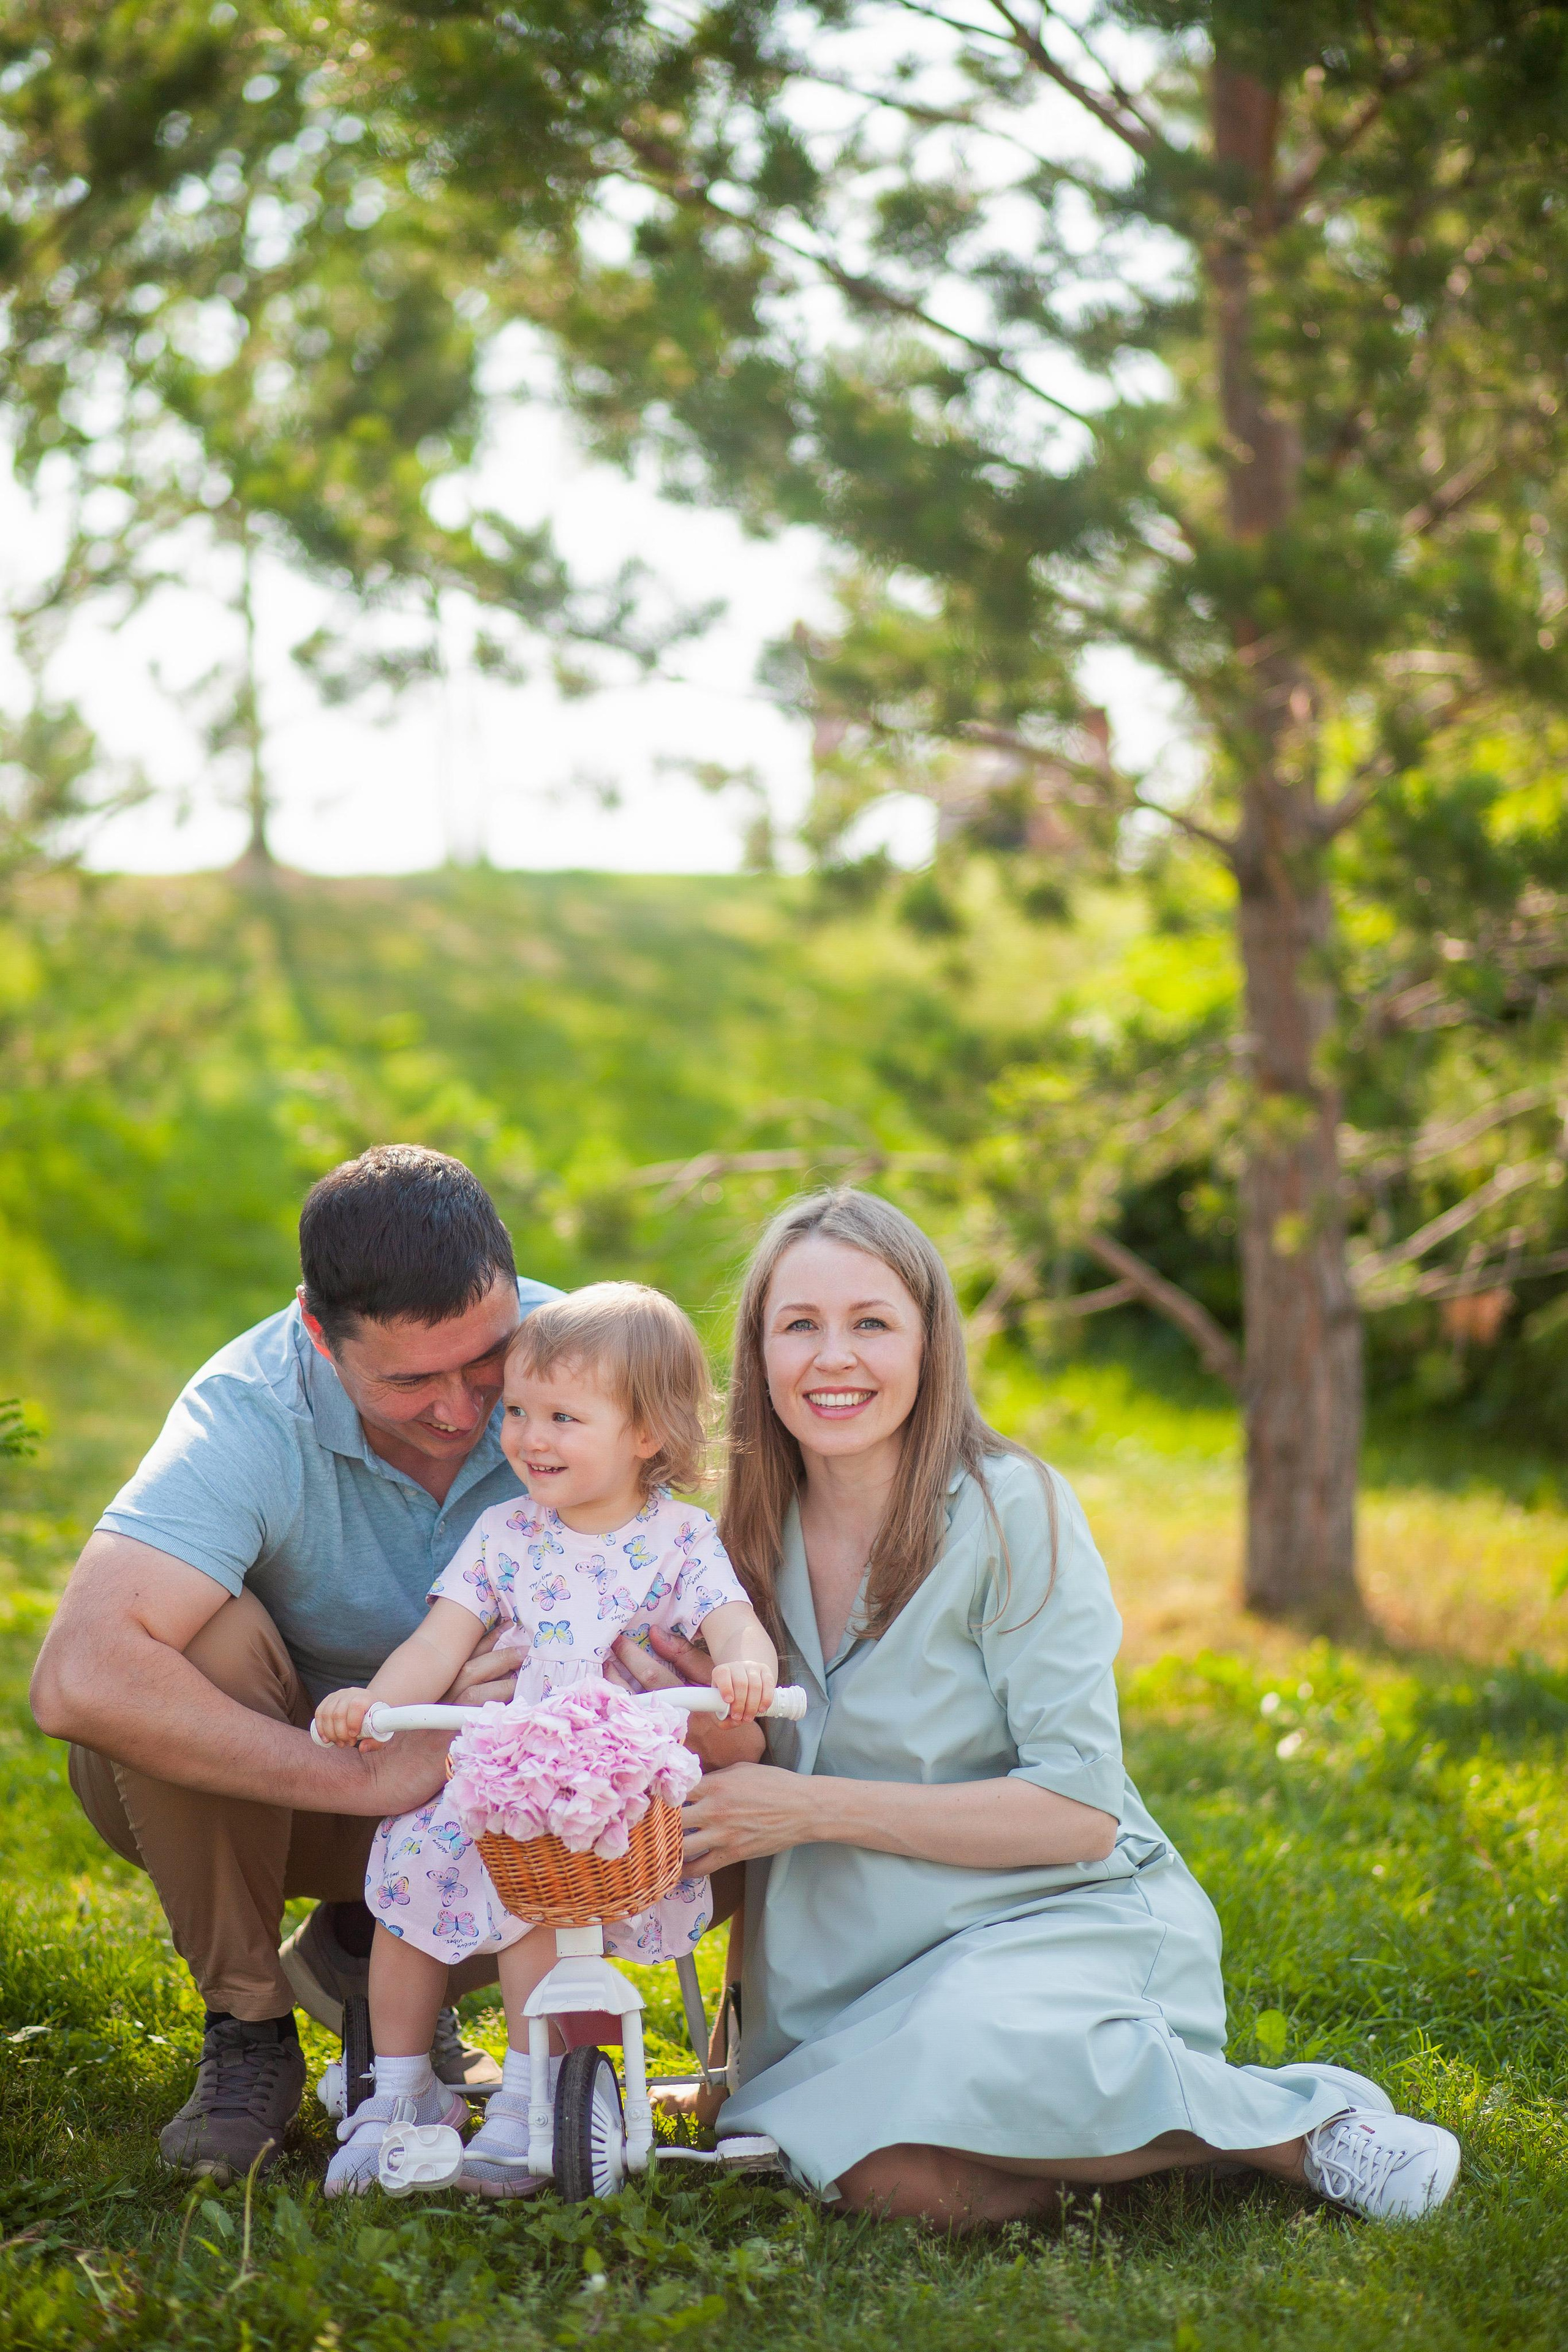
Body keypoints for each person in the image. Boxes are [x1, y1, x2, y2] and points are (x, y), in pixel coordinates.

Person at [649, 1188, 1461, 2230]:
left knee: (967, 2046)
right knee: (890, 2186)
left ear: (930, 1345)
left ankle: (1302, 2128)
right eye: (799, 1324)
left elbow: (1077, 1813)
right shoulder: (728, 1546)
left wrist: (807, 1810)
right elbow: (736, 1781)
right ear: (758, 1354)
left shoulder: (1010, 1510)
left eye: (871, 1324)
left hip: (1045, 1918)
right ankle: (1154, 2155)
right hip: (846, 1964)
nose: (832, 1357)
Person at [26, 1145, 752, 2184]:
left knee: (696, 1756)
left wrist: (709, 1697)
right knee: (195, 1637)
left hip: (539, 1788)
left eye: (486, 1364)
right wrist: (369, 1771)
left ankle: (376, 1963)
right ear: (319, 1336)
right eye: (411, 1380)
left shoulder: (584, 1362)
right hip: (306, 1780)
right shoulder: (249, 1409)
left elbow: (713, 1589)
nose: (464, 1413)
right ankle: (248, 2028)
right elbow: (79, 1677)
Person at [312, 1283, 777, 2196]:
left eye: (564, 1416)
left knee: (546, 1903)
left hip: (608, 1792)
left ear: (646, 1433)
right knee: (405, 1873)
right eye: (518, 1411)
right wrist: (377, 1701)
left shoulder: (679, 1541)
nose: (529, 1437)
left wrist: (742, 1669)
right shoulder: (506, 1535)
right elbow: (438, 1641)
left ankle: (531, 2097)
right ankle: (402, 2093)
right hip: (497, 1775)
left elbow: (733, 1624)